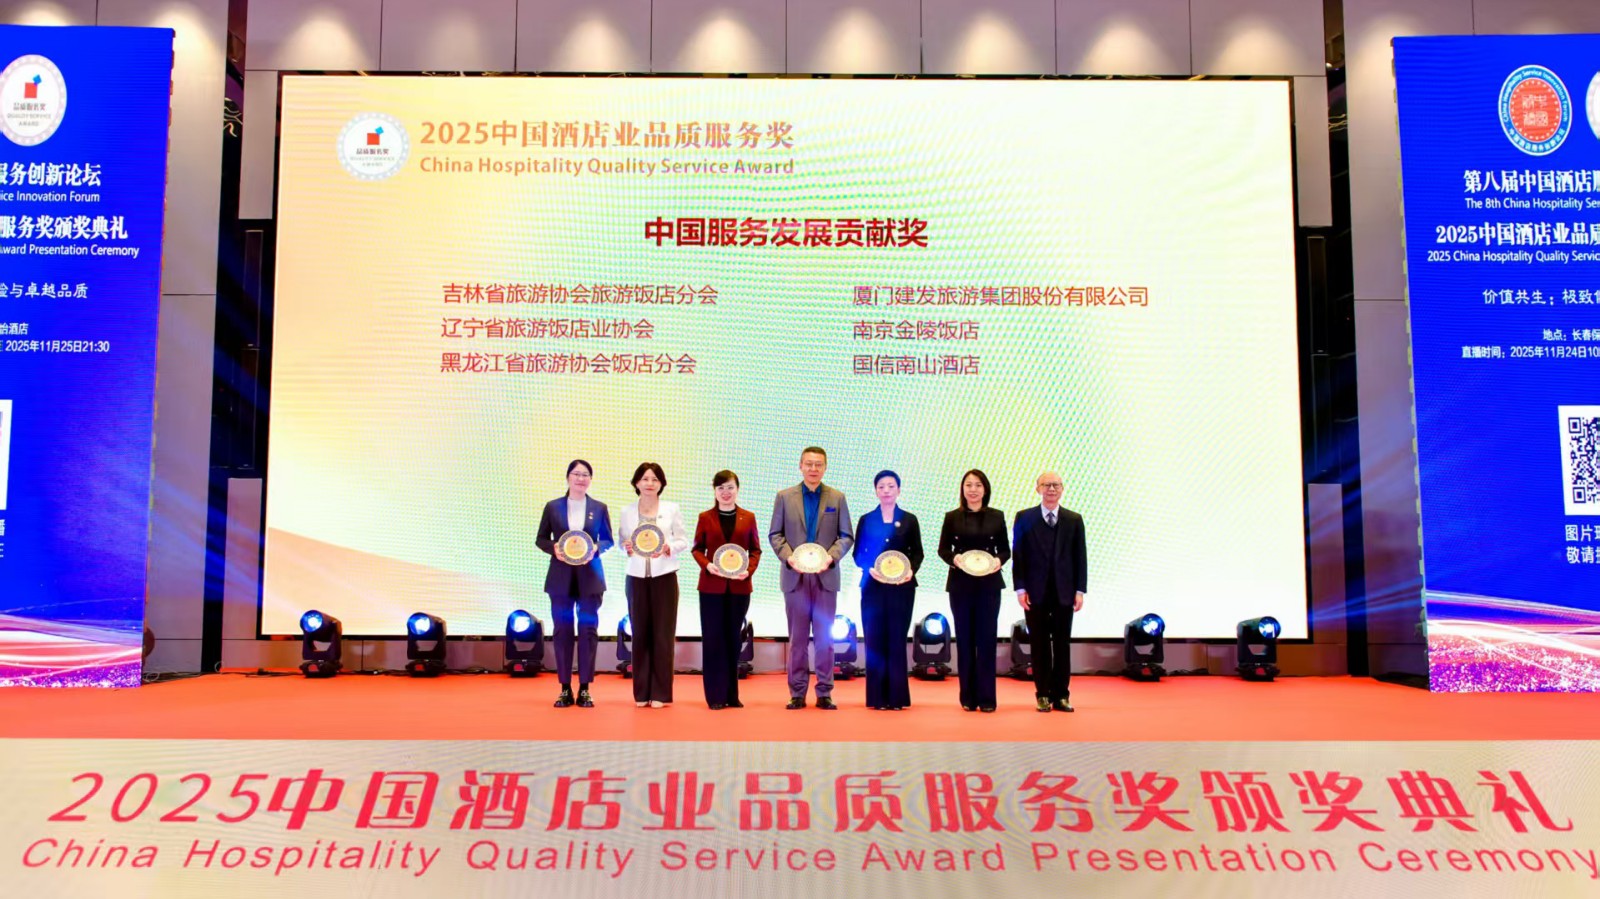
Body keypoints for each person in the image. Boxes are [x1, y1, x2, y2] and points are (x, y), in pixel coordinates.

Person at [769, 446, 854, 709]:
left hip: (825, 577)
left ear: (825, 467)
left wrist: (831, 557)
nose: (813, 469)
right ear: (800, 466)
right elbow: (775, 534)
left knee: (825, 640)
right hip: (795, 578)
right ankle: (797, 692)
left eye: (818, 464)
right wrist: (789, 557)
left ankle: (824, 692)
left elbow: (846, 536)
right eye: (809, 464)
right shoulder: (784, 497)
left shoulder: (837, 498)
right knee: (797, 640)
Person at [536, 459, 614, 708]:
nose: (581, 478)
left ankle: (585, 688)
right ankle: (564, 688)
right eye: (576, 474)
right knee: (562, 630)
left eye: (585, 474)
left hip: (590, 577)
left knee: (588, 630)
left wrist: (596, 548)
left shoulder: (599, 508)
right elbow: (540, 538)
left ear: (590, 479)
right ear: (568, 477)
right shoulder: (553, 506)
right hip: (560, 578)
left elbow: (608, 540)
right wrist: (554, 548)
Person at [1012, 471, 1087, 713]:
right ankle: (1043, 694)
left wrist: (1080, 590)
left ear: (1062, 489)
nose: (1051, 489)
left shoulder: (1074, 519)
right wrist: (1020, 588)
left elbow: (1080, 557)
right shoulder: (1024, 518)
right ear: (1038, 489)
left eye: (1056, 485)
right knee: (1039, 645)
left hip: (1065, 592)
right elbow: (1018, 555)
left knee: (1062, 645)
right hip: (1035, 593)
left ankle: (1062, 695)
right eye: (1046, 485)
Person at [937, 469, 1010, 713]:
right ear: (962, 489)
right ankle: (968, 697)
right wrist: (955, 559)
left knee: (987, 640)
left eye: (978, 485)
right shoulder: (952, 517)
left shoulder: (997, 516)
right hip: (960, 584)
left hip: (989, 585)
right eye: (968, 485)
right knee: (965, 640)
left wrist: (998, 561)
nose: (973, 489)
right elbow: (943, 549)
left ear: (985, 489)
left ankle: (987, 698)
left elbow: (1005, 550)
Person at [619, 462, 690, 709]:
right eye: (645, 479)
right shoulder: (627, 511)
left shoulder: (672, 509)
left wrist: (669, 547)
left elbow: (683, 540)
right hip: (635, 577)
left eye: (655, 479)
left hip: (664, 576)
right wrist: (625, 547)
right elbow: (621, 542)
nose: (650, 483)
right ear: (636, 483)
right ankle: (641, 693)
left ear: (661, 484)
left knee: (663, 635)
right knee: (639, 635)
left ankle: (660, 692)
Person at [690, 470, 763, 709]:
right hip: (711, 587)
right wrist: (708, 565)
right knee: (713, 640)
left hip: (740, 588)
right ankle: (715, 696)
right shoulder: (705, 517)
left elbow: (755, 550)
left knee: (733, 640)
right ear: (714, 491)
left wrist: (748, 570)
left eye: (730, 487)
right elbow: (697, 549)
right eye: (721, 487)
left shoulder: (748, 517)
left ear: (737, 489)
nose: (725, 492)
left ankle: (732, 695)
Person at [851, 470, 924, 711]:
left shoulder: (910, 519)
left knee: (896, 639)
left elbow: (917, 552)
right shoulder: (866, 520)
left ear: (899, 490)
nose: (886, 490)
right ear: (875, 491)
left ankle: (897, 697)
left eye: (891, 486)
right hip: (872, 587)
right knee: (875, 640)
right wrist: (869, 568)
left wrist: (910, 570)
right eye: (881, 486)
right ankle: (877, 698)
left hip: (902, 588)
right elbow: (858, 554)